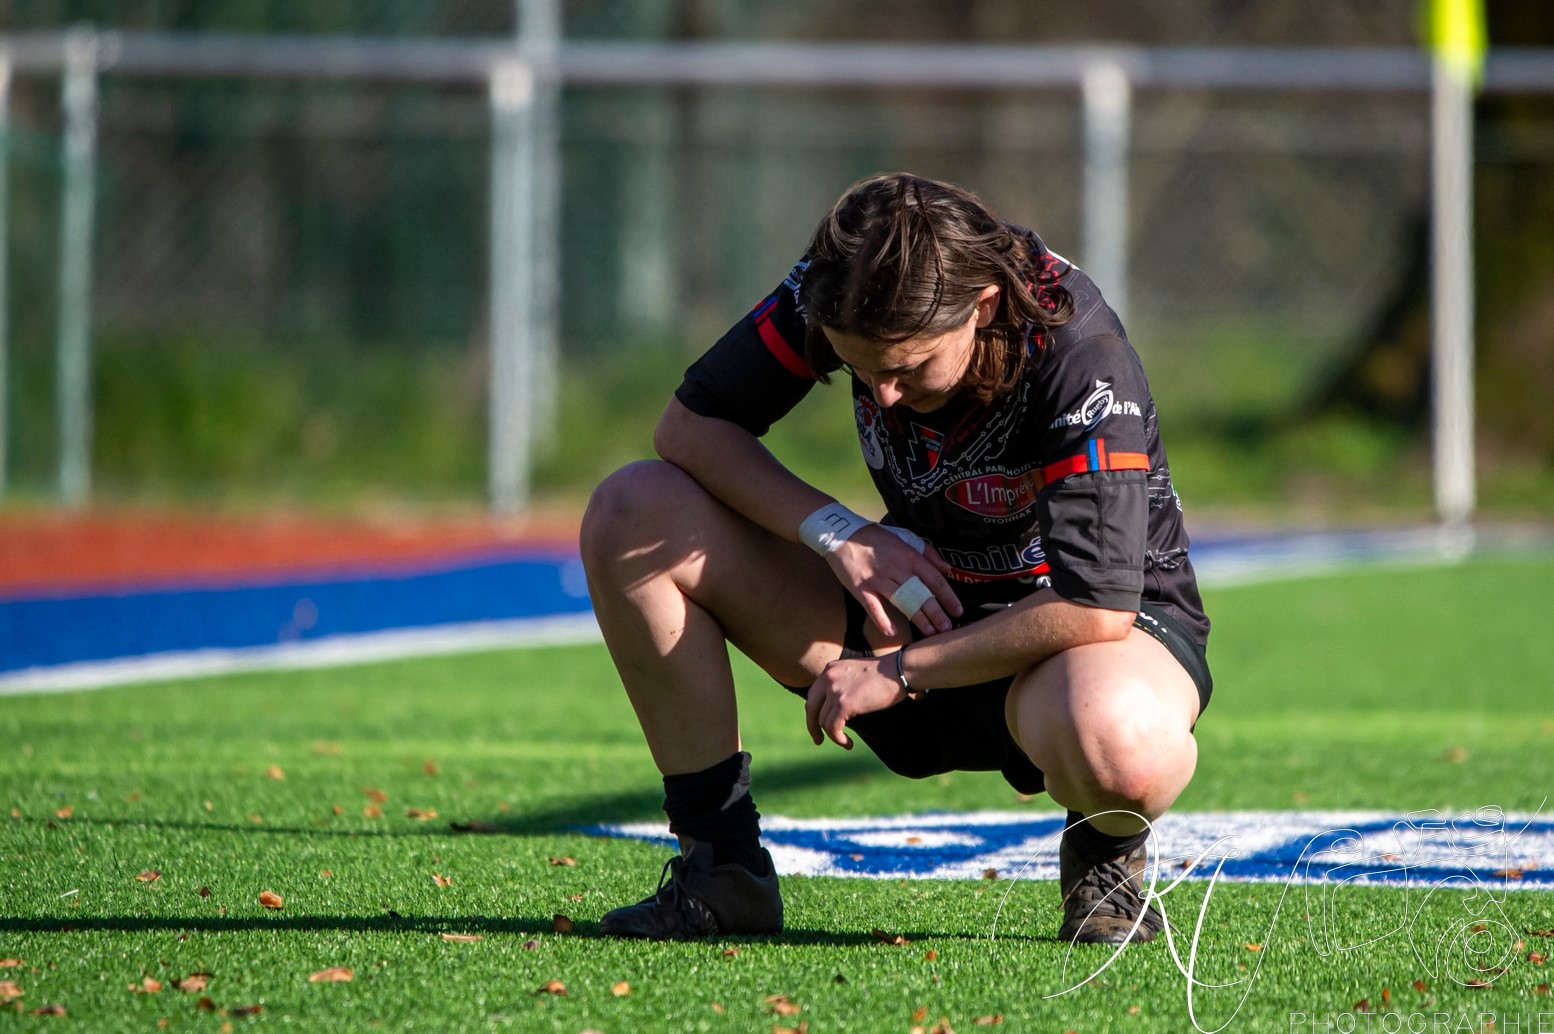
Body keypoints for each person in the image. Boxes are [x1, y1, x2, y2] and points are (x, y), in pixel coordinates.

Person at [579, 172, 1212, 945]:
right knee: (632, 511)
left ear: (983, 307)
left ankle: (1103, 855)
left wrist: (899, 673)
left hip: (1077, 644)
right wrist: (839, 532)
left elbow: (1097, 602)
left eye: (908, 368)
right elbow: (689, 427)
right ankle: (721, 868)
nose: (881, 395)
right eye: (860, 370)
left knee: (1122, 742)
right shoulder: (840, 284)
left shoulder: (1078, 350)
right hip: (912, 609)